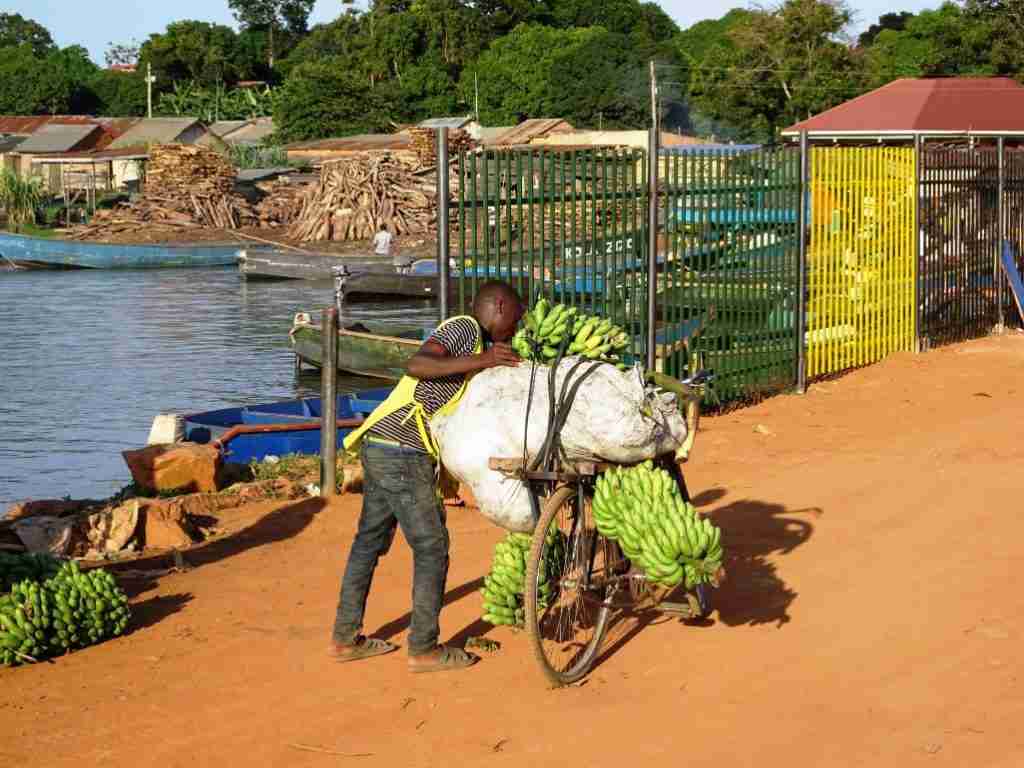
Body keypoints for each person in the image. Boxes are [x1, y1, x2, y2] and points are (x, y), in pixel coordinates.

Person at [330, 281, 524, 672]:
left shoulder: (476, 345)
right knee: (432, 546)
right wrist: (484, 359)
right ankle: (423, 648)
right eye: (515, 320)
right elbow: (417, 365)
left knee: (368, 542)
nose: (515, 330)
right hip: (402, 451)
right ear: (500, 306)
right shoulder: (465, 329)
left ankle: (345, 639)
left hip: (382, 444)